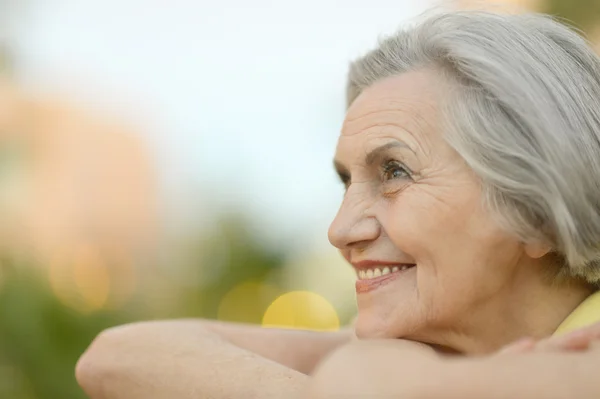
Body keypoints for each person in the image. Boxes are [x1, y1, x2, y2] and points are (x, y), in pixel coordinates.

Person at [75, 9, 600, 398]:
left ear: (537, 209)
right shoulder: (431, 350)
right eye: (346, 182)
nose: (340, 229)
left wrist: (366, 376)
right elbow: (113, 357)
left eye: (394, 171)